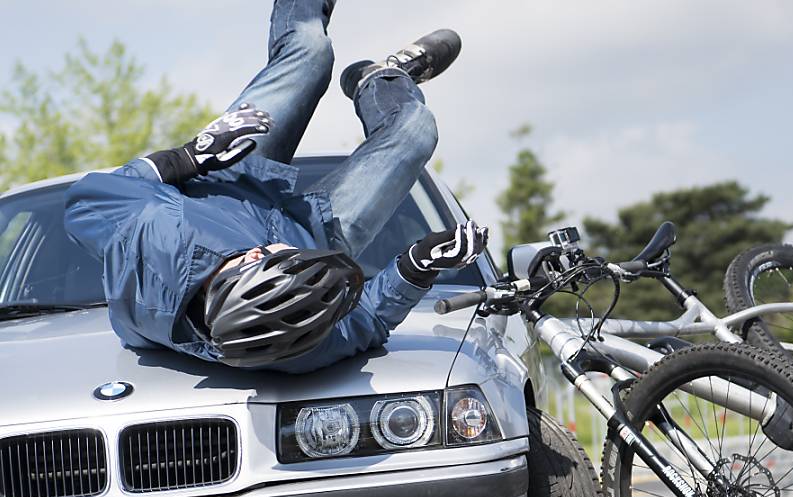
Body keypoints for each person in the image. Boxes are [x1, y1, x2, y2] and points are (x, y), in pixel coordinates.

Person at [64, 0, 487, 374]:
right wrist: (415, 266)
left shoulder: (159, 235)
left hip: (230, 178)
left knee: (310, 51)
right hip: (318, 229)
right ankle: (384, 81)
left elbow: (85, 203)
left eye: (291, 259)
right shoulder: (289, 341)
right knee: (415, 131)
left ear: (253, 255)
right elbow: (367, 323)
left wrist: (190, 157)